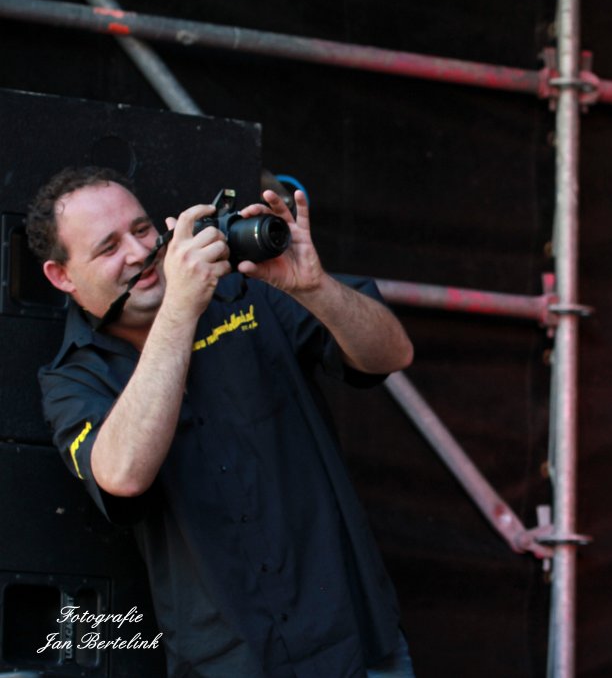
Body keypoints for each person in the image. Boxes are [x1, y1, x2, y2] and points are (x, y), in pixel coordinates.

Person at [26, 166, 416, 678]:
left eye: (142, 229)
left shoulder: (245, 291)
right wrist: (179, 310)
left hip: (353, 641)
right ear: (62, 276)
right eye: (108, 248)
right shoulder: (70, 379)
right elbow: (121, 475)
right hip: (229, 663)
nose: (140, 252)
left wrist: (317, 287)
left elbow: (393, 353)